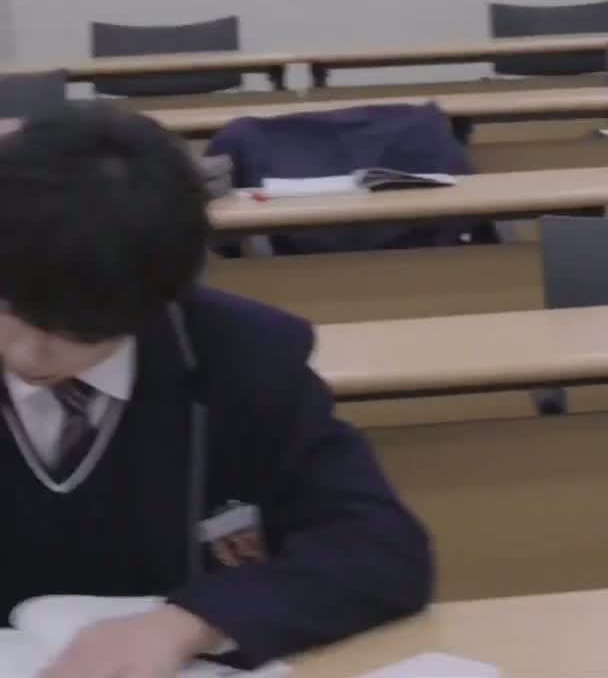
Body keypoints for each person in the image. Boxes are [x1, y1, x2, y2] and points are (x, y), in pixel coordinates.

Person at [0, 102, 432, 677]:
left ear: (156, 304)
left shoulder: (243, 358)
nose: (25, 354)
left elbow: (381, 549)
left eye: (73, 334)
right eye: (9, 309)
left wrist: (189, 623)